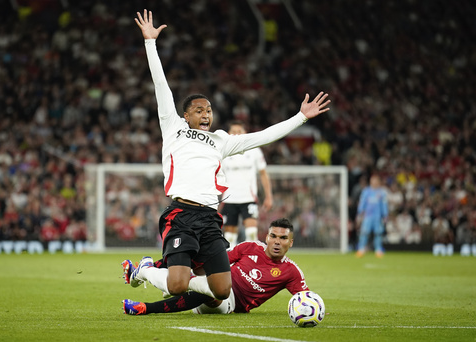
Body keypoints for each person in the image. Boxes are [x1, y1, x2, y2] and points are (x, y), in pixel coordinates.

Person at [127, 10, 330, 301]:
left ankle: (173, 273)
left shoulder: (221, 141)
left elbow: (262, 136)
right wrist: (150, 43)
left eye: (209, 109)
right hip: (181, 214)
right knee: (177, 286)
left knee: (222, 290)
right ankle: (145, 269)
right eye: (199, 110)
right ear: (186, 115)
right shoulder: (173, 128)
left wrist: (300, 117)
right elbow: (161, 86)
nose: (206, 113)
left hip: (210, 218)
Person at [122, 218, 310, 315]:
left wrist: (312, 309)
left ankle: (146, 306)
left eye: (283, 238)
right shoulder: (249, 247)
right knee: (198, 264)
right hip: (219, 280)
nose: (277, 242)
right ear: (267, 237)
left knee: (212, 292)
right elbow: (211, 260)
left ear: (290, 242)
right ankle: (150, 269)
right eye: (273, 237)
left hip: (231, 303)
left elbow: (306, 298)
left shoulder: (291, 271)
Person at [220, 120, 273, 248]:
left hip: (248, 198)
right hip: (229, 199)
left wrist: (269, 196)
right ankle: (231, 265)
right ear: (228, 133)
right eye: (234, 132)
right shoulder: (222, 151)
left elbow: (263, 173)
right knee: (229, 237)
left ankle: (251, 262)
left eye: (240, 131)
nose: (237, 134)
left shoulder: (254, 150)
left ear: (245, 133)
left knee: (251, 233)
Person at [356, 174, 389, 258]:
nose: (374, 182)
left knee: (378, 233)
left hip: (377, 217)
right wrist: (360, 213)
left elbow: (384, 205)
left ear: (378, 182)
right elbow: (362, 203)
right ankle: (361, 249)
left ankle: (378, 250)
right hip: (367, 216)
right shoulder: (366, 191)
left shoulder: (382, 193)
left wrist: (385, 215)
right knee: (364, 232)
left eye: (375, 181)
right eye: (372, 180)